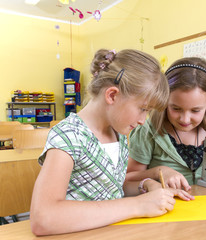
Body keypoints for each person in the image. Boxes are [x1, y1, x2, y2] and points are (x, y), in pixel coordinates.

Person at [30, 49, 194, 236]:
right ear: (112, 95)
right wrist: (138, 205)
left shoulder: (118, 133)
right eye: (142, 109)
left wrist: (146, 186)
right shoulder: (68, 137)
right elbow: (43, 218)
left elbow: (111, 190)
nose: (143, 120)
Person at [126, 57, 206, 191]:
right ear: (164, 99)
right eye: (176, 108)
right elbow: (128, 179)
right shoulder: (147, 131)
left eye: (195, 110)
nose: (185, 119)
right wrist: (160, 171)